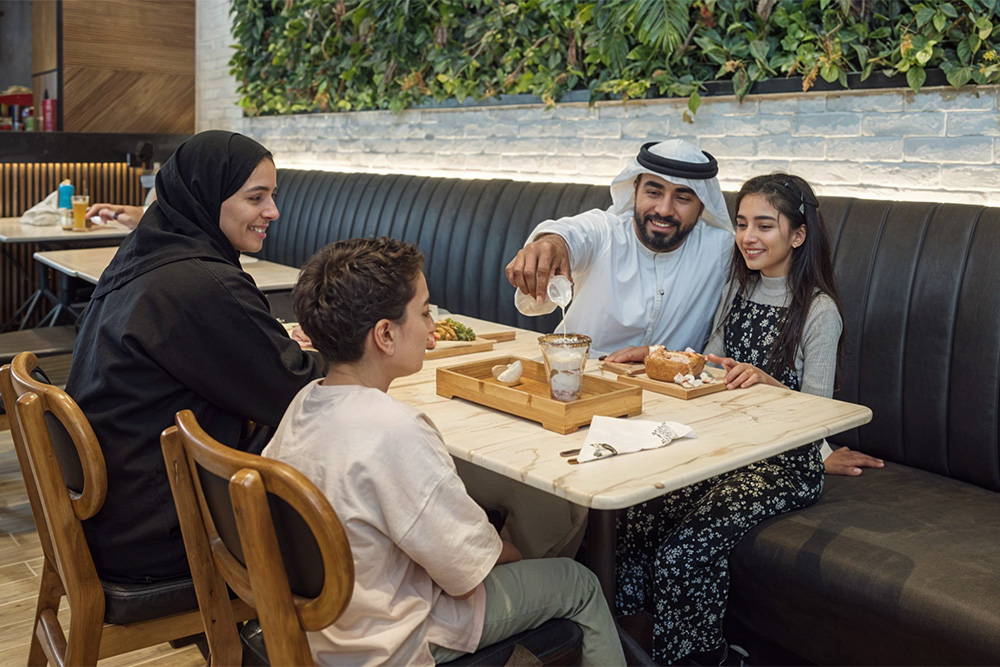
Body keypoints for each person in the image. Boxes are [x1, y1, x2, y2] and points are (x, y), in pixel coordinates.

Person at [264, 237, 625, 666]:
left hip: (320, 622)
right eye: (423, 311)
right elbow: (468, 570)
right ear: (384, 335)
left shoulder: (305, 400)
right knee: (577, 581)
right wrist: (513, 554)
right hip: (389, 636)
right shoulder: (396, 430)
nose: (433, 326)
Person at [613, 174, 876, 666]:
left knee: (684, 548)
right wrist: (655, 355)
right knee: (636, 512)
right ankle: (630, 639)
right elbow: (709, 362)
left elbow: (817, 415)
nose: (748, 237)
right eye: (741, 224)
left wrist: (766, 382)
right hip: (725, 450)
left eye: (764, 226)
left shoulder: (819, 311)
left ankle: (705, 657)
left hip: (784, 465)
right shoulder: (739, 285)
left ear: (797, 235)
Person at [65, 130, 323, 584]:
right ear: (207, 195)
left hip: (116, 515)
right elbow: (298, 391)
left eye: (273, 196)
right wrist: (362, 352)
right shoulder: (199, 282)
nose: (273, 212)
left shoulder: (149, 251)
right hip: (163, 534)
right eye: (255, 197)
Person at [506, 139, 735, 355]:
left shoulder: (721, 250)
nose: (664, 209)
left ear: (702, 205)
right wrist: (551, 243)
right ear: (635, 190)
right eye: (653, 192)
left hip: (674, 390)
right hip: (581, 377)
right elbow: (570, 234)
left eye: (683, 198)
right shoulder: (606, 231)